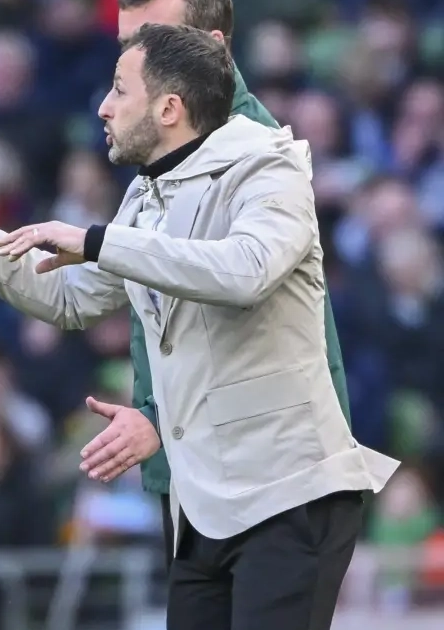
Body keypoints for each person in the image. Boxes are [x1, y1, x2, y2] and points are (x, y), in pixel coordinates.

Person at [0, 24, 399, 630]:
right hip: (201, 506)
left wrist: (99, 241)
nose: (102, 107)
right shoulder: (147, 193)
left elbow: (246, 269)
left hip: (288, 494)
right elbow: (73, 297)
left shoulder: (269, 165)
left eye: (119, 90)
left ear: (169, 109)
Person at [110, 0, 353, 571]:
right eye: (125, 45)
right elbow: (85, 291)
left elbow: (241, 280)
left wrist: (157, 416)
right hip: (195, 465)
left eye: (153, 40)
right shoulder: (156, 164)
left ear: (212, 48)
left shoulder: (259, 151)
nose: (135, 58)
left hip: (266, 472)